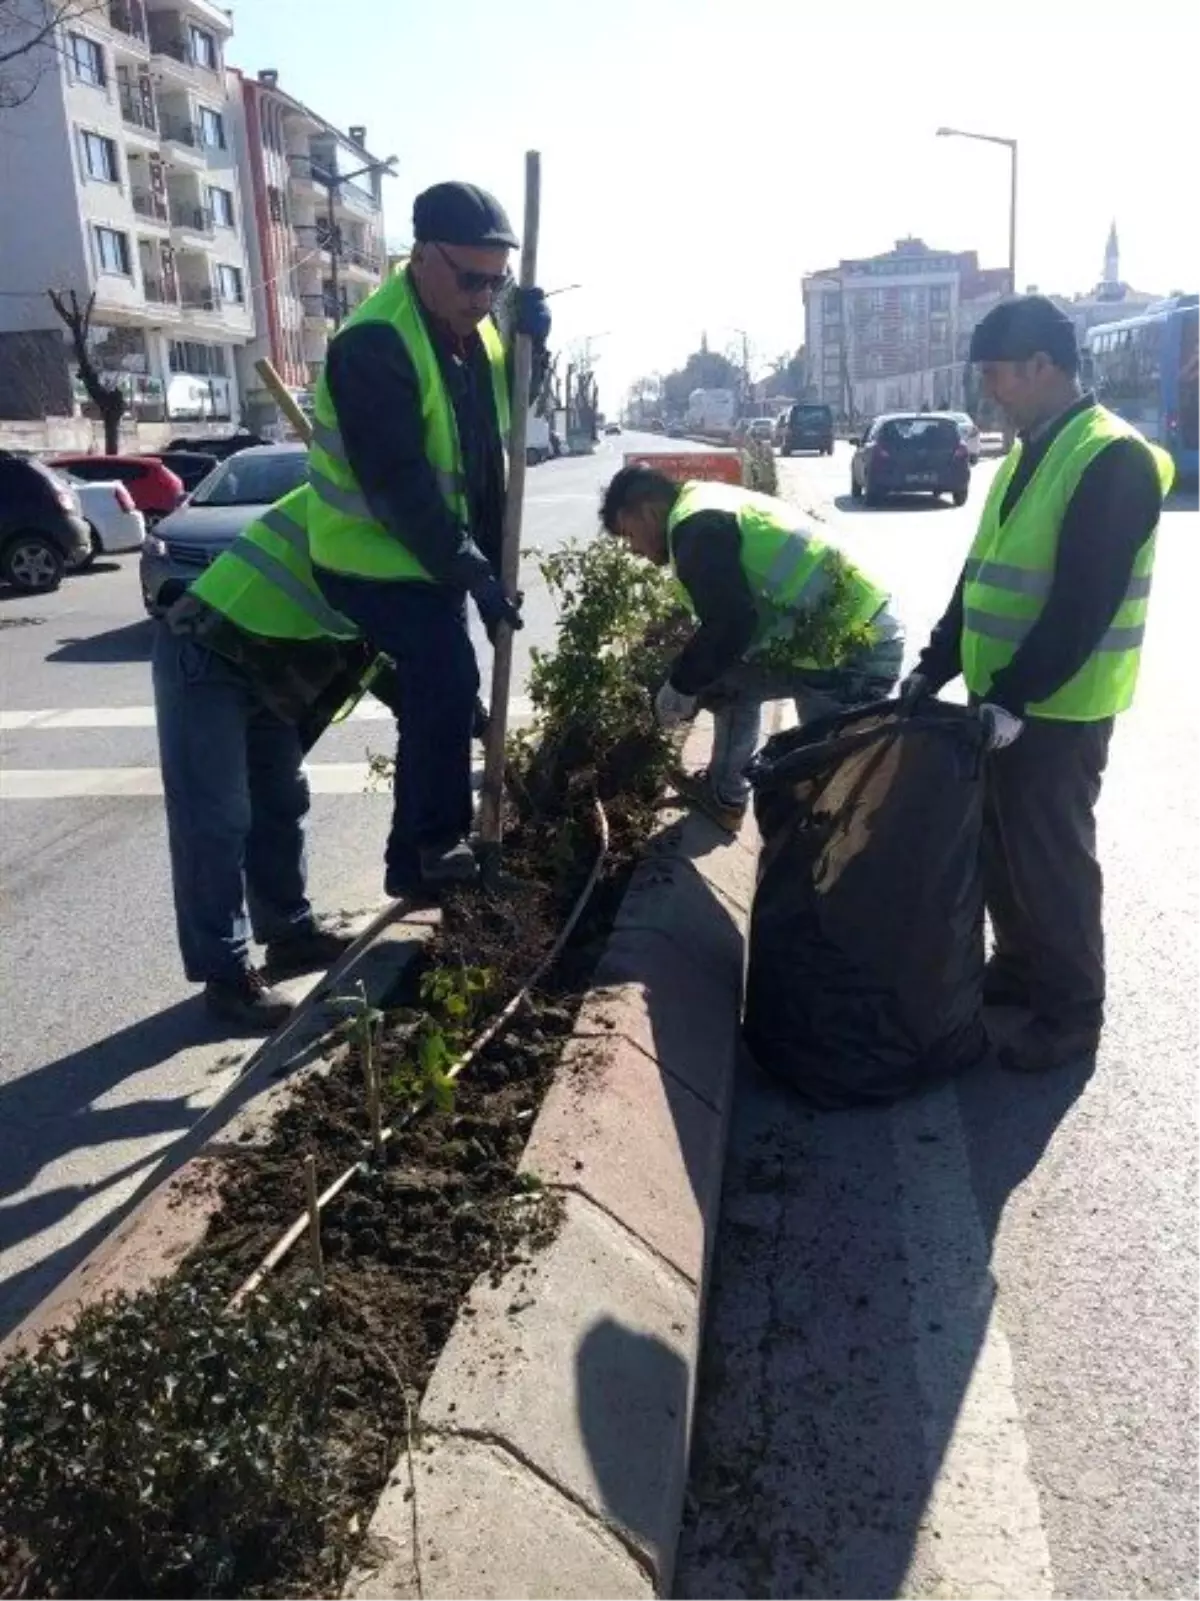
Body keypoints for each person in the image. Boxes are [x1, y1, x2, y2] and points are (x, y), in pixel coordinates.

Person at [901, 295, 1174, 1075]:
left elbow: (1084, 601)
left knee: (1051, 862)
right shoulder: (1027, 452)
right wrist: (937, 661)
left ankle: (1069, 1017)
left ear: (1043, 367)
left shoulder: (1110, 457)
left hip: (1059, 708)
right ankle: (1018, 974)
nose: (988, 388)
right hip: (1003, 705)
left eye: (997, 373)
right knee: (1002, 849)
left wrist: (1015, 696)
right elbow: (980, 572)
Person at [308, 181, 550, 896]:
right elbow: (398, 486)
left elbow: (507, 417)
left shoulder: (473, 334)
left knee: (436, 694)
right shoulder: (376, 343)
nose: (483, 296)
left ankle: (407, 860)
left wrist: (533, 339)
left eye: (496, 281)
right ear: (420, 258)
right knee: (446, 679)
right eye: (470, 278)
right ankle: (438, 846)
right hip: (370, 555)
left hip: (435, 553)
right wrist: (472, 571)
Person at [154, 484, 392, 1030]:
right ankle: (227, 978)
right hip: (209, 648)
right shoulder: (358, 497)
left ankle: (289, 934)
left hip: (268, 664)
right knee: (215, 820)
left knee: (282, 800)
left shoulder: (387, 500)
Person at [600, 468, 905, 830]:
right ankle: (725, 797)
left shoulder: (697, 528)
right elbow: (728, 624)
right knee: (725, 682)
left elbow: (730, 623)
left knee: (825, 787)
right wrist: (692, 679)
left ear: (648, 512)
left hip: (855, 651)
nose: (633, 549)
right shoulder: (701, 505)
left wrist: (680, 686)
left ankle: (833, 868)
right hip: (826, 645)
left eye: (630, 534)